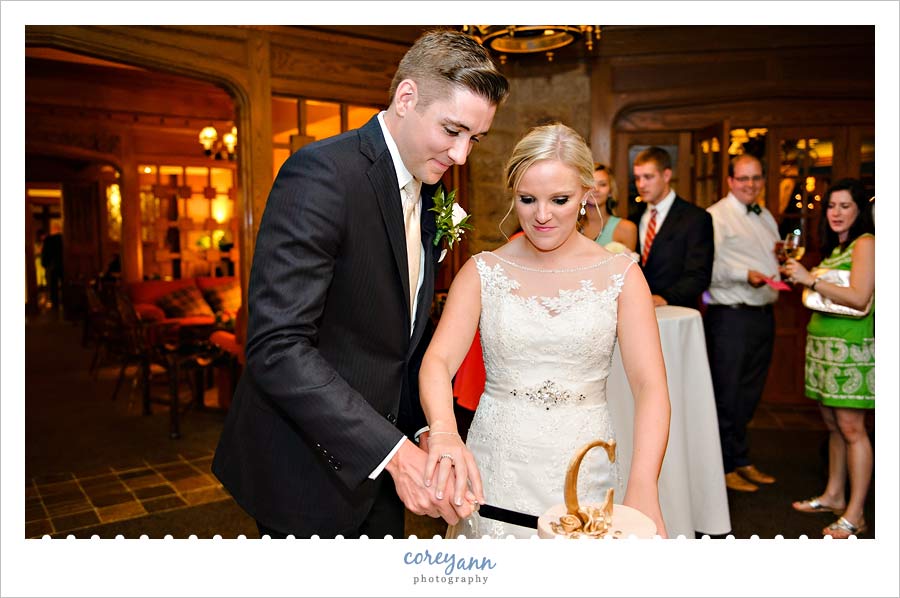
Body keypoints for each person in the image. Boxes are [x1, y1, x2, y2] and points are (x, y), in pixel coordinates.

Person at [211, 29, 509, 539]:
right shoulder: (323, 174)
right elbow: (277, 346)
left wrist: (427, 429)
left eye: (474, 139)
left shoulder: (428, 187)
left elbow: (399, 342)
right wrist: (392, 453)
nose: (462, 155)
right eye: (452, 130)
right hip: (303, 469)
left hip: (380, 470)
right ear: (407, 97)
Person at [418, 123, 670, 538]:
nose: (542, 215)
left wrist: (644, 485)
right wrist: (445, 432)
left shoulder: (621, 275)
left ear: (588, 194)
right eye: (527, 199)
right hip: (494, 467)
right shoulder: (483, 271)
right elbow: (437, 362)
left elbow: (651, 388)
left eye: (560, 199)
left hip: (583, 467)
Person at [782, 178, 874, 539]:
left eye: (845, 206)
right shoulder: (840, 247)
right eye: (832, 206)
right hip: (825, 347)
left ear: (858, 210)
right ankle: (834, 495)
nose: (836, 213)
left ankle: (856, 515)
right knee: (835, 427)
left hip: (851, 349)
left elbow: (859, 296)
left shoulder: (866, 243)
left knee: (853, 430)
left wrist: (810, 280)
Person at [704, 154, 781, 493]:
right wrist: (743, 274)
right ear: (731, 181)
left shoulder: (765, 216)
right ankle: (722, 466)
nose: (751, 184)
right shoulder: (716, 217)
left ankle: (741, 458)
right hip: (731, 316)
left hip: (763, 315)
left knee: (749, 395)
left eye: (756, 178)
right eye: (744, 178)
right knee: (727, 395)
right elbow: (708, 267)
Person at [631, 147, 714, 308]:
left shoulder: (695, 218)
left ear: (667, 175)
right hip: (639, 312)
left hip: (678, 311)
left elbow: (699, 275)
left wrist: (664, 298)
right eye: (637, 178)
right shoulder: (634, 219)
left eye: (648, 177)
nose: (641, 184)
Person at [580, 164, 638, 251]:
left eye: (602, 184)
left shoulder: (626, 229)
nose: (596, 189)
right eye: (590, 183)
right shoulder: (570, 225)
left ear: (610, 191)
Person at [40, 221, 64, 310]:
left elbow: (44, 254)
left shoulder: (48, 239)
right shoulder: (64, 238)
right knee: (64, 285)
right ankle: (66, 304)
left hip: (52, 266)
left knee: (53, 287)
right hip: (64, 265)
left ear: (52, 229)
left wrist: (44, 265)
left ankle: (55, 305)